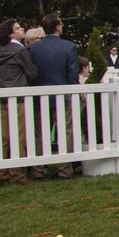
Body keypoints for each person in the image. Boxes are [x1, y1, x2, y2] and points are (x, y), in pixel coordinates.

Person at [27, 13, 79, 179]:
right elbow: (72, 75)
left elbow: (31, 73)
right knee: (65, 132)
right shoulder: (68, 46)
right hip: (62, 95)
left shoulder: (32, 48)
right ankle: (65, 169)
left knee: (39, 133)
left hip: (38, 95)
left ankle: (38, 169)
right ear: (57, 26)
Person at [0, 18, 36, 184]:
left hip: (1, 97)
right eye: (18, 28)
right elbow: (32, 73)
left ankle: (1, 172)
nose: (22, 29)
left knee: (3, 136)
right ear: (11, 33)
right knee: (19, 135)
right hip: (18, 97)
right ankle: (17, 173)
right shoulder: (20, 51)